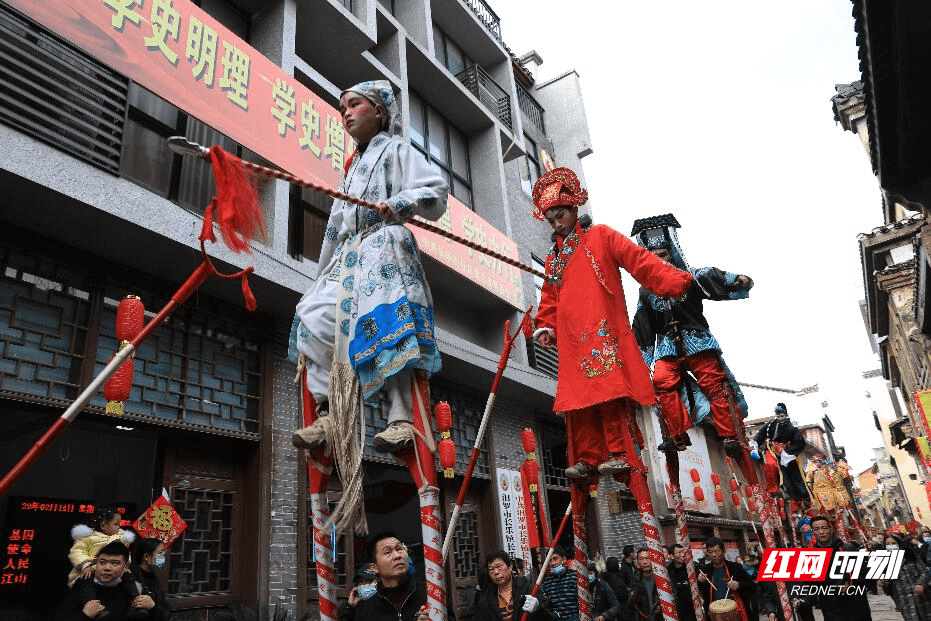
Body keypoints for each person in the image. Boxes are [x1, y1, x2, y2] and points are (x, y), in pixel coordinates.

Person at [291, 80, 448, 454]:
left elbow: (436, 189)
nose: (346, 112)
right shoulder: (351, 168)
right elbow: (334, 227)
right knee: (313, 315)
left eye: (354, 104)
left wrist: (400, 204)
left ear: (379, 110)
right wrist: (320, 275)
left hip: (383, 245)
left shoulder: (396, 150)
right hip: (348, 256)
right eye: (342, 107)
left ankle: (400, 417)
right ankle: (329, 412)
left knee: (383, 321)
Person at [532, 169, 693, 479]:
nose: (556, 223)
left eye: (560, 214)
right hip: (570, 339)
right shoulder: (554, 258)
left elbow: (639, 260)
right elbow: (549, 297)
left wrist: (675, 280)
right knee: (579, 401)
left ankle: (618, 452)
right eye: (551, 219)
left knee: (606, 392)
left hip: (600, 330)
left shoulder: (602, 236)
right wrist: (545, 325)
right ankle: (588, 458)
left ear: (574, 208)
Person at [630, 215, 752, 455]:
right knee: (661, 381)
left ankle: (729, 436)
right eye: (652, 256)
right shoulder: (646, 291)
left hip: (697, 342)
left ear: (672, 252)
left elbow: (714, 276)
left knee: (714, 383)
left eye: (663, 254)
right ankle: (676, 435)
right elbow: (642, 327)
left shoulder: (691, 277)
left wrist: (736, 279)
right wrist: (638, 365)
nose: (658, 260)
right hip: (667, 348)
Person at [56, 541, 164, 621]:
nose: (107, 568)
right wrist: (85, 615)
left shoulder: (136, 590)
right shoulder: (81, 589)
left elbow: (162, 617)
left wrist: (153, 608)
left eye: (114, 563)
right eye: (102, 562)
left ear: (125, 566)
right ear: (96, 563)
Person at [792, 515, 871, 621]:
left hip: (856, 608)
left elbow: (866, 574)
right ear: (813, 532)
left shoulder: (847, 549)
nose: (821, 532)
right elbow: (812, 587)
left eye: (824, 528)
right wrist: (802, 602)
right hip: (832, 611)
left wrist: (850, 583)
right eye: (817, 529)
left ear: (830, 529)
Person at [339, 531, 432, 620]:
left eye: (399, 549)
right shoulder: (366, 610)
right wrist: (348, 608)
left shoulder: (430, 595)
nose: (397, 556)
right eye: (387, 552)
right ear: (374, 568)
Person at [751, 403, 810, 500]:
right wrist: (755, 446)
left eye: (781, 415)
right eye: (777, 415)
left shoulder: (792, 427)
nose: (780, 418)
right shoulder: (771, 424)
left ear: (786, 414)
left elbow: (800, 442)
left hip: (786, 453)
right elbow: (761, 435)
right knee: (770, 464)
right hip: (771, 449)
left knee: (794, 474)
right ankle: (772, 490)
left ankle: (798, 497)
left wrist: (788, 452)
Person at [472, 550, 549, 620]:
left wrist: (538, 609)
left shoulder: (529, 590)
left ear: (510, 566)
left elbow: (550, 617)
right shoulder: (485, 598)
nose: (496, 572)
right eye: (491, 569)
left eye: (499, 567)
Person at [696, 538, 754, 621]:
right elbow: (696, 591)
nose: (713, 555)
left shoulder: (735, 567)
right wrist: (699, 581)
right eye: (710, 552)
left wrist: (739, 585)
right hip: (715, 615)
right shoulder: (705, 569)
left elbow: (751, 586)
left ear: (723, 551)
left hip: (736, 613)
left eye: (716, 551)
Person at [879, 533, 931, 621]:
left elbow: (924, 572)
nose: (890, 546)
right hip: (904, 602)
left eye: (893, 543)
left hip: (922, 598)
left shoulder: (911, 557)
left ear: (900, 545)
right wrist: (884, 582)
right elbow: (886, 588)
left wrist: (920, 584)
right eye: (887, 544)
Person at [129, 538, 170, 620]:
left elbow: (166, 609)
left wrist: (153, 606)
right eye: (160, 553)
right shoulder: (132, 578)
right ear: (147, 556)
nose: (163, 557)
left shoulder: (154, 577)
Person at [539, 547, 580, 621]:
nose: (553, 563)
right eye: (550, 560)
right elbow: (546, 607)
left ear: (564, 559)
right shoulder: (547, 582)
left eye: (555, 559)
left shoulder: (575, 577)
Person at [666, 544, 697, 621]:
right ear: (672, 556)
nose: (683, 554)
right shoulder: (667, 571)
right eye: (679, 552)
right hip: (678, 610)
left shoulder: (692, 567)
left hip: (694, 609)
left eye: (683, 552)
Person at [629, 548, 661, 621]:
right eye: (641, 559)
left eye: (647, 558)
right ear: (637, 561)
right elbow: (632, 603)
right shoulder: (635, 580)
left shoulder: (661, 577)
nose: (645, 562)